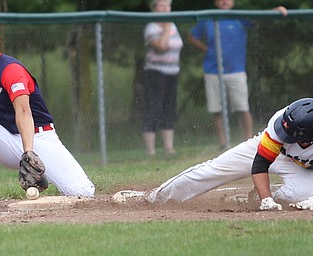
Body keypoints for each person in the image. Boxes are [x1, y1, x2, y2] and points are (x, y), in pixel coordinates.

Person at [114, 98, 313, 211]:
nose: (284, 132)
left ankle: (256, 197)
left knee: (299, 195)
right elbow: (260, 163)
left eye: (292, 134)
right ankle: (153, 198)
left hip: (300, 167)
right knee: (214, 170)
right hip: (272, 152)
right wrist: (266, 200)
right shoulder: (280, 123)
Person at [0, 24, 95, 197]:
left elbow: (24, 112)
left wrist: (28, 152)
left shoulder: (10, 70)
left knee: (82, 192)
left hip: (38, 138)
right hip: (5, 140)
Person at [187, 0, 288, 151]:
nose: (224, 1)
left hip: (236, 70)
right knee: (217, 109)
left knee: (242, 107)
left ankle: (249, 142)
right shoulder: (207, 19)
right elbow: (191, 35)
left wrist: (277, 9)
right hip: (213, 70)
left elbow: (260, 17)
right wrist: (206, 49)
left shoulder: (239, 18)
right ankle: (224, 144)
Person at [142, 0, 183, 156]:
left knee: (169, 108)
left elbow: (178, 44)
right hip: (155, 73)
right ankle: (151, 151)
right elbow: (161, 47)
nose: (166, 9)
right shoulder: (151, 27)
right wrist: (165, 30)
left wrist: (168, 27)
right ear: (154, 9)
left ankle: (169, 148)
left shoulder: (173, 25)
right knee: (154, 107)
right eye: (162, 6)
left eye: (168, 6)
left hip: (172, 72)